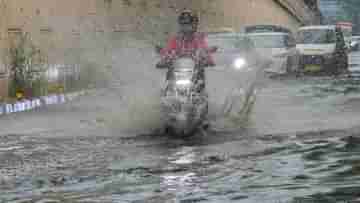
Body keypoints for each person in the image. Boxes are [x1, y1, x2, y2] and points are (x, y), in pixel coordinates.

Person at [156, 10, 215, 92]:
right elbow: (168, 51)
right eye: (182, 25)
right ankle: (167, 93)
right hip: (177, 72)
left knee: (200, 74)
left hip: (194, 73)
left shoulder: (198, 39)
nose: (185, 28)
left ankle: (200, 95)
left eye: (187, 25)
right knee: (169, 73)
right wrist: (164, 60)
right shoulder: (176, 39)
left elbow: (204, 50)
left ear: (194, 25)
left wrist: (207, 59)